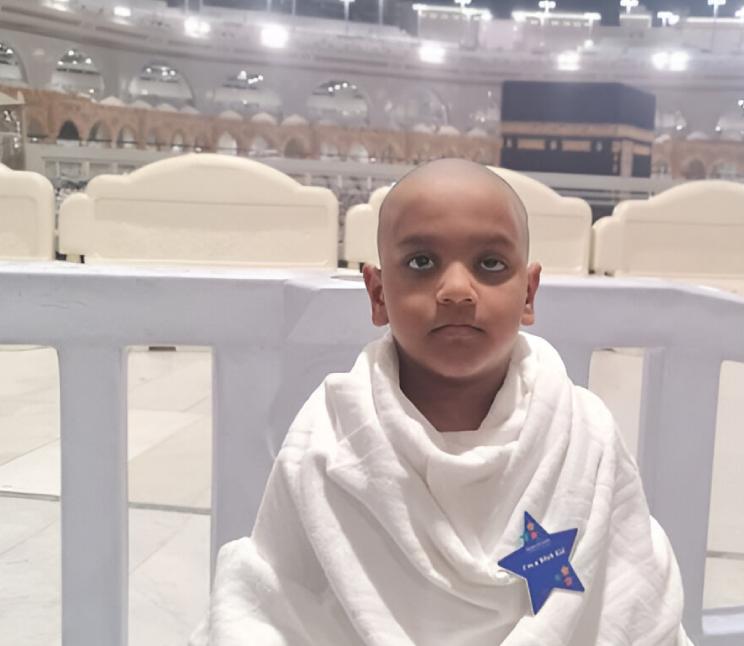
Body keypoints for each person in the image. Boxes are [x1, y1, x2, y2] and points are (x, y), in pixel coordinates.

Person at [191, 159, 691, 645]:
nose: (456, 290)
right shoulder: (329, 436)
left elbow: (633, 598)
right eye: (421, 263)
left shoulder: (585, 435)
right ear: (378, 292)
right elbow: (276, 598)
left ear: (529, 293)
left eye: (490, 264)